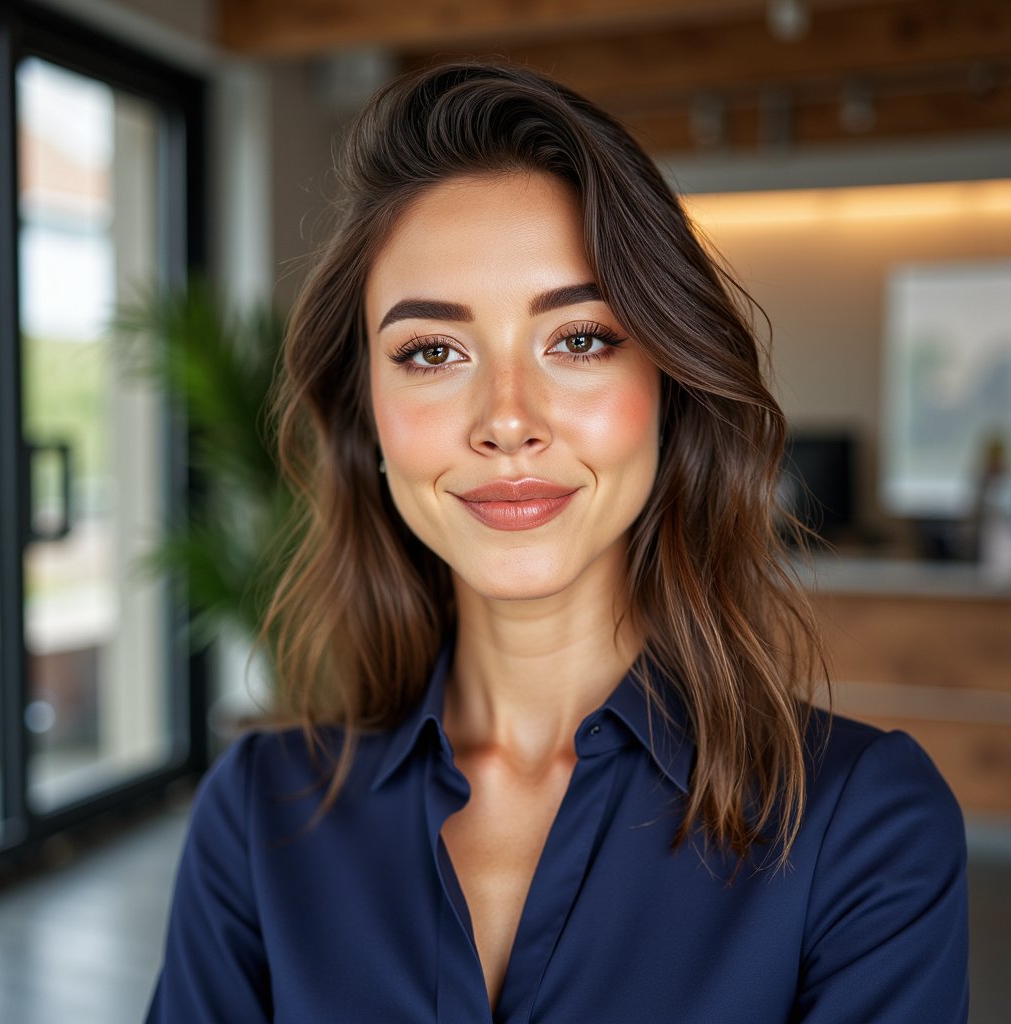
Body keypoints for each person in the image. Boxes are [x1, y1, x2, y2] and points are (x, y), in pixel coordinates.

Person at [146, 61, 968, 1023]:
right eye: (431, 352)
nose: (507, 420)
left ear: (669, 387)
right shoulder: (257, 819)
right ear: (367, 418)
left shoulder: (862, 824)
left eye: (578, 339)